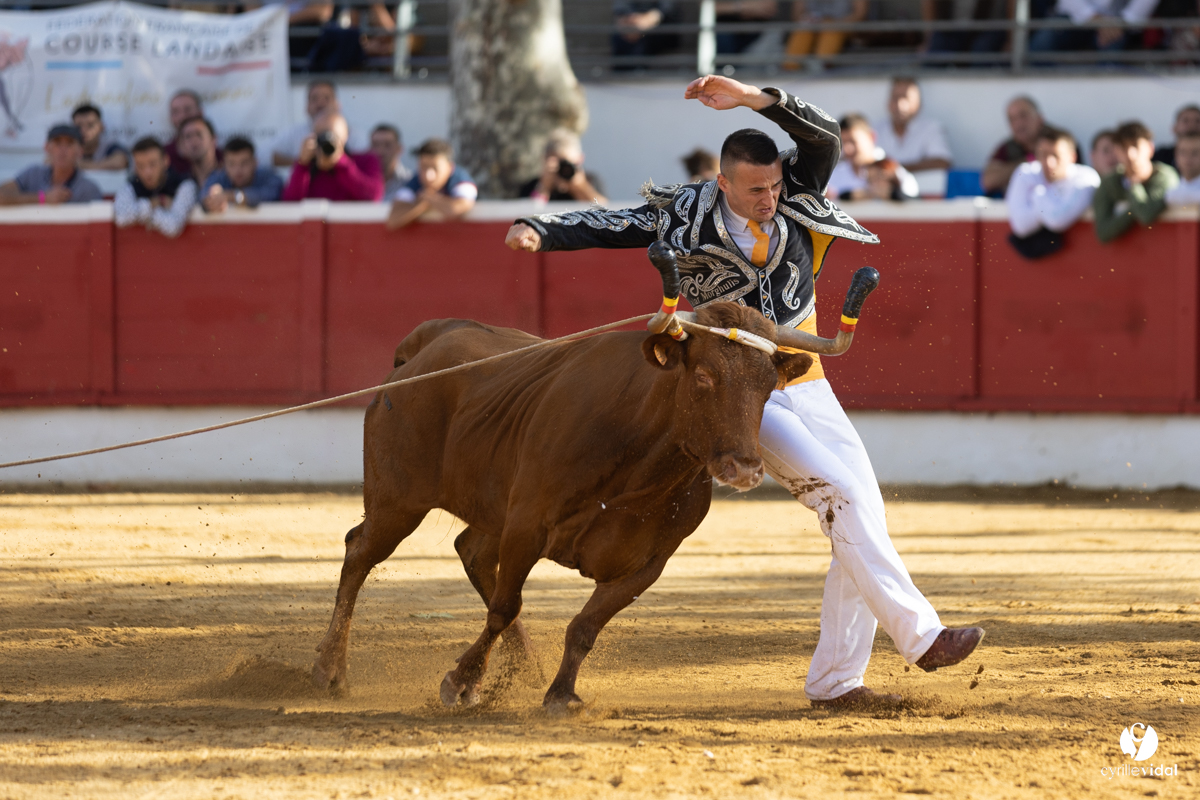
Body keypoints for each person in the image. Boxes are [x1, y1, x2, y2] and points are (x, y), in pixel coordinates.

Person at [503, 75, 984, 709]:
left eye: (775, 186)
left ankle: (836, 682)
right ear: (723, 183)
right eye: (756, 190)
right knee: (839, 495)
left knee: (861, 511)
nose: (770, 199)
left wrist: (757, 98)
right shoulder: (685, 211)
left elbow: (825, 137)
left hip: (803, 379)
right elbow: (615, 222)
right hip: (731, 391)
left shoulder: (795, 191)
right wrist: (541, 228)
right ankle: (921, 638)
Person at [1006, 125, 1101, 258]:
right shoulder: (1025, 172)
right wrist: (1053, 203)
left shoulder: (1086, 178)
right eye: (1044, 155)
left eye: (1056, 156)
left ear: (1072, 157)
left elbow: (1057, 221)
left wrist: (1038, 195)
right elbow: (1020, 226)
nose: (1050, 163)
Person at [1093, 120, 1179, 243]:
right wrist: (1134, 209)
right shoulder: (1110, 181)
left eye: (1136, 146)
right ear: (1117, 151)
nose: (1130, 155)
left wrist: (1134, 187)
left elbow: (1146, 215)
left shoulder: (1165, 177)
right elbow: (1103, 232)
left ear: (1150, 148)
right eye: (1124, 148)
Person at [282, 111, 383, 202]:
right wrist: (302, 164)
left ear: (346, 136)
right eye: (322, 135)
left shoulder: (365, 160)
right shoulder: (308, 167)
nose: (327, 142)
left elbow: (373, 196)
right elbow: (290, 202)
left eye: (333, 136)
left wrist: (341, 163)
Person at [114, 137, 198, 238]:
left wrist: (142, 213)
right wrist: (155, 203)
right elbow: (121, 217)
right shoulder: (131, 185)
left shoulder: (185, 185)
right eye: (140, 166)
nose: (147, 172)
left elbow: (173, 227)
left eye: (152, 164)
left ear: (165, 161)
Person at [272, 80, 369, 167]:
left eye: (326, 98)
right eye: (314, 99)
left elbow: (365, 165)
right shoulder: (293, 133)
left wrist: (340, 159)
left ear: (337, 105)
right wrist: (304, 161)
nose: (320, 103)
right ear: (307, 106)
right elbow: (274, 158)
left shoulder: (355, 135)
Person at [0, 123, 102, 205]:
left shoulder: (88, 189)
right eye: (57, 143)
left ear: (80, 151)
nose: (63, 150)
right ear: (47, 148)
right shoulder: (33, 174)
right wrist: (43, 198)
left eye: (69, 143)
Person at [386, 138, 478, 229]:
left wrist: (428, 198)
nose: (428, 175)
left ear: (450, 167)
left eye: (435, 168)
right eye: (423, 167)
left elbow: (457, 210)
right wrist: (424, 204)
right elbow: (393, 219)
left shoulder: (461, 180)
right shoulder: (415, 180)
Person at [826, 113, 918, 200]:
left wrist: (890, 194)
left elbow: (913, 202)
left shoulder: (896, 172)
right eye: (843, 143)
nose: (847, 149)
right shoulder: (832, 177)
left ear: (871, 137)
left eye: (853, 141)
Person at [873, 77, 952, 173]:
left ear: (918, 104)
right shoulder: (876, 129)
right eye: (895, 98)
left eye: (905, 98)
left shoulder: (932, 129)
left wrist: (896, 170)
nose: (900, 105)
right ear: (888, 102)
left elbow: (942, 162)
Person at [1030, 0, 1162, 52]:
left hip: (1116, 24)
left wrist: (1121, 24)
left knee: (1112, 47)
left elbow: (1141, 7)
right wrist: (1096, 19)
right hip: (1073, 16)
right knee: (1043, 41)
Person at [517, 129, 608, 205]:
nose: (563, 169)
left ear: (580, 159)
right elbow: (526, 215)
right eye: (558, 164)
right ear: (545, 160)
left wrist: (580, 187)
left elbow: (604, 212)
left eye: (568, 164)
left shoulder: (591, 181)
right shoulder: (532, 186)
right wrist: (544, 188)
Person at [980, 96, 1044, 197]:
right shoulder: (1007, 148)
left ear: (1040, 118)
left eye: (1023, 116)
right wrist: (1028, 162)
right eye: (1012, 119)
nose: (1018, 124)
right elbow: (988, 181)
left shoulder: (1057, 141)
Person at [201, 137, 283, 212]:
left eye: (244, 163)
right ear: (224, 165)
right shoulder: (219, 177)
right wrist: (211, 197)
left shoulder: (269, 177)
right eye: (231, 164)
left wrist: (232, 196)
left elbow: (270, 195)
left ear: (255, 162)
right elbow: (202, 196)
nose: (238, 170)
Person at [783, 0, 868, 66]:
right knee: (803, 31)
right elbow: (797, 15)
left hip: (841, 26)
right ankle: (790, 66)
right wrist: (811, 20)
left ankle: (821, 65)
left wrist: (833, 23)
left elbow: (859, 14)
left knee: (831, 32)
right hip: (812, 25)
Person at [163, 89, 221, 176]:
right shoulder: (164, 155)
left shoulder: (223, 159)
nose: (182, 116)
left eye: (187, 110)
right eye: (175, 111)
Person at [612, 0, 680, 68]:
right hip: (632, 26)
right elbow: (621, 10)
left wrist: (650, 18)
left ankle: (638, 69)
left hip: (660, 28)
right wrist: (631, 21)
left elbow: (667, 8)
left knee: (644, 38)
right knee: (618, 36)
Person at [71, 104, 129, 171]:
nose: (84, 130)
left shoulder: (110, 147)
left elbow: (120, 162)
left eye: (90, 125)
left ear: (101, 127)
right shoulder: (68, 148)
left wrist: (80, 165)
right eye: (78, 126)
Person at [715, 0, 780, 54]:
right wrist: (743, 7)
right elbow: (711, 8)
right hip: (723, 30)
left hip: (759, 32)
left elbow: (769, 7)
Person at [370, 123, 413, 200]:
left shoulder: (410, 181)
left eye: (388, 145)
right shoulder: (359, 180)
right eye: (375, 145)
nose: (380, 151)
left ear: (399, 149)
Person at [176, 116, 221, 189]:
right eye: (188, 136)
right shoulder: (179, 184)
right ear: (181, 145)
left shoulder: (230, 178)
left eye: (199, 134)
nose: (194, 141)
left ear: (213, 139)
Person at [1154, 104, 1200, 170]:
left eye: (1197, 121)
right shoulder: (1160, 157)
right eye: (1186, 121)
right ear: (1174, 128)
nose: (1192, 125)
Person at [1165, 133, 1200, 205]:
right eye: (1183, 152)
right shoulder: (1169, 194)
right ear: (1176, 155)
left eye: (1195, 153)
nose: (1188, 157)